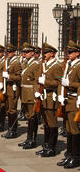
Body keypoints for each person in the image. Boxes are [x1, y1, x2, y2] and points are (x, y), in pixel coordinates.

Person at [34, 43, 62, 157]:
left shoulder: (57, 66)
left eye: (46, 52)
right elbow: (37, 80)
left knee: (52, 123)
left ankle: (52, 148)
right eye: (44, 52)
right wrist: (37, 90)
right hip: (43, 98)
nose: (44, 54)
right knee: (46, 123)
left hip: (51, 98)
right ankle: (46, 146)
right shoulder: (44, 65)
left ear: (53, 54)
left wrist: (45, 82)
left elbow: (59, 82)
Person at [57, 40, 80, 169]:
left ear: (77, 53)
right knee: (69, 129)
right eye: (68, 52)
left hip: (75, 101)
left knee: (75, 129)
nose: (68, 54)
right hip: (67, 100)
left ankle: (76, 157)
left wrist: (69, 84)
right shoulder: (70, 65)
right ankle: (70, 155)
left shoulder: (79, 66)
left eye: (71, 52)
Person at [18, 42, 40, 149]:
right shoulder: (26, 63)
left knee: (32, 117)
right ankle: (28, 138)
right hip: (25, 93)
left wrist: (36, 92)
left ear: (32, 53)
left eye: (26, 52)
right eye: (23, 52)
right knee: (28, 116)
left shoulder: (36, 64)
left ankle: (32, 140)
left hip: (31, 93)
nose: (24, 54)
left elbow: (36, 80)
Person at [0, 43, 21, 138]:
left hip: (13, 89)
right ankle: (10, 129)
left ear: (14, 52)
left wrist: (9, 76)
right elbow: (2, 73)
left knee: (12, 110)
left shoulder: (16, 63)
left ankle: (13, 131)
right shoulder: (8, 61)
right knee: (8, 109)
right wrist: (1, 81)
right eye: (7, 52)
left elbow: (19, 77)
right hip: (7, 88)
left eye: (9, 52)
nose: (7, 53)